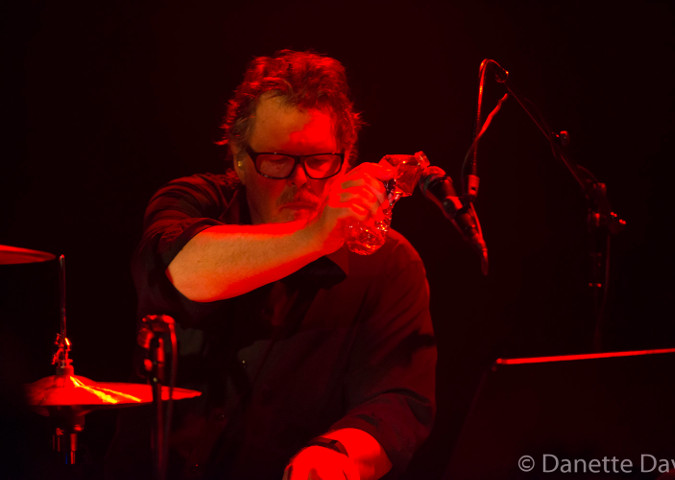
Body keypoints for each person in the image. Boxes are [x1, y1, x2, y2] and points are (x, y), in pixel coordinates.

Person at [108, 49, 436, 480]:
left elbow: (396, 400)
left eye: (319, 161)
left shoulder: (390, 262)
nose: (300, 180)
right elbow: (184, 273)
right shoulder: (191, 201)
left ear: (347, 160)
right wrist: (315, 234)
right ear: (241, 159)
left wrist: (338, 455)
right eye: (278, 160)